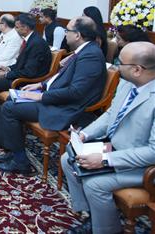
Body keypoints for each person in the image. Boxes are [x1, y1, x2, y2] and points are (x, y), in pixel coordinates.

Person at [0, 16, 106, 174]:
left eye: (67, 31)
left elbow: (76, 92)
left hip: (65, 107)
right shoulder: (84, 50)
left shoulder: (90, 55)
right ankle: (12, 151)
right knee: (13, 97)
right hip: (54, 97)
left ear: (78, 35)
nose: (65, 34)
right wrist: (41, 85)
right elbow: (61, 77)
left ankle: (20, 162)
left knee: (10, 108)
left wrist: (41, 96)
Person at [62, 41, 155, 234]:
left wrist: (105, 159)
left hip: (143, 166)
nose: (115, 66)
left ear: (137, 69)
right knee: (67, 159)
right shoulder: (127, 83)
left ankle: (107, 230)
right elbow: (111, 113)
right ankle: (90, 215)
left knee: (95, 184)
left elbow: (152, 152)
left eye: (120, 62)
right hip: (115, 147)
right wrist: (86, 134)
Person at [0, 13, 51, 127]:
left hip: (25, 80)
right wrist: (8, 68)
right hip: (19, 74)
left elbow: (29, 72)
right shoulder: (29, 39)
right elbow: (22, 64)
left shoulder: (36, 44)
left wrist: (6, 74)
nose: (14, 30)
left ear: (25, 28)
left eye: (16, 27)